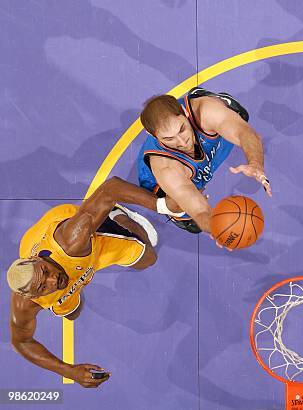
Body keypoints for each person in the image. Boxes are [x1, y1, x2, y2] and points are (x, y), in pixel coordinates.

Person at [7, 177, 159, 388]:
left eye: (46, 271)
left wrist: (163, 205)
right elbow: (21, 342)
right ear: (33, 297)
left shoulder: (72, 239)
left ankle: (118, 216)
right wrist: (69, 371)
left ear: (36, 259)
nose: (54, 279)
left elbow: (111, 188)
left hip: (86, 240)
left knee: (149, 257)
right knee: (72, 313)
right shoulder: (26, 305)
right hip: (73, 268)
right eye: (43, 287)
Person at [137, 87, 271, 234]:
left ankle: (208, 99)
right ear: (152, 135)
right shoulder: (166, 168)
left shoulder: (204, 111)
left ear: (185, 112)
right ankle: (176, 215)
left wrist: (255, 163)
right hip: (164, 180)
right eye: (169, 139)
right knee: (189, 216)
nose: (182, 142)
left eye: (182, 129)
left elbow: (244, 133)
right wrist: (216, 228)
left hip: (200, 131)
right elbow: (200, 212)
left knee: (236, 119)